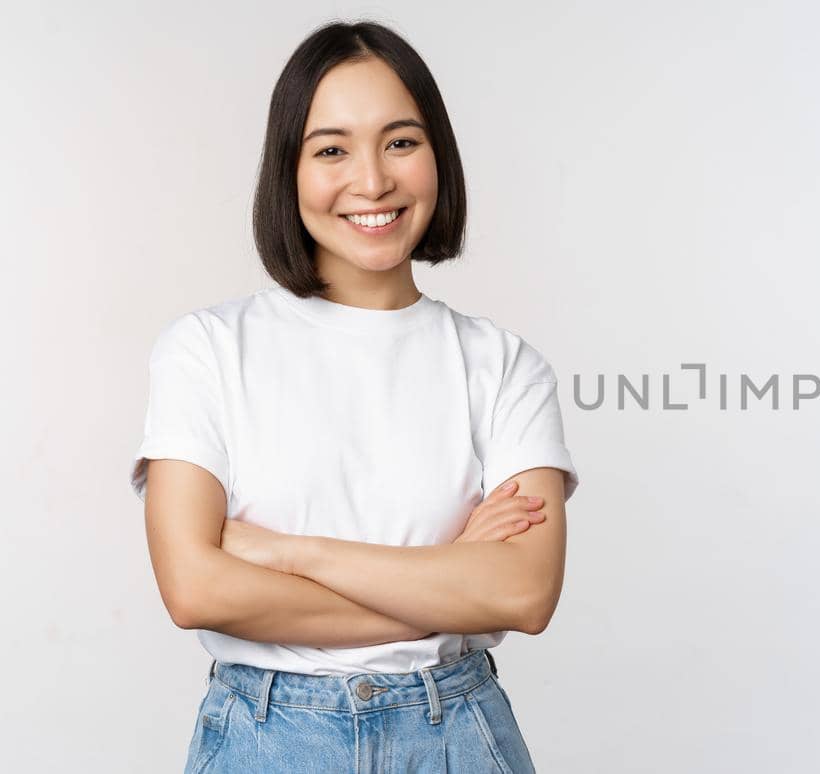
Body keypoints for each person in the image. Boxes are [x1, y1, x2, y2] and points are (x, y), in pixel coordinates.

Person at [129, 20, 576, 773]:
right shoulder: (206, 349)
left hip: (456, 735)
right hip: (267, 737)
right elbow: (195, 588)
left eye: (401, 142)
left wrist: (284, 554)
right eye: (331, 149)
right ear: (289, 170)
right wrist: (447, 578)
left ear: (439, 157)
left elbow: (524, 593)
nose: (372, 181)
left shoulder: (502, 366)